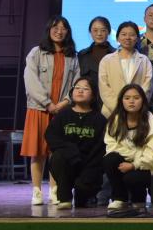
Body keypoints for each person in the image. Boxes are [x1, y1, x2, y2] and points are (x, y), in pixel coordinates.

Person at [21, 15, 80, 205]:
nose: (59, 31)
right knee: (38, 151)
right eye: (55, 27)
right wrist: (47, 103)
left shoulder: (72, 56)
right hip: (39, 109)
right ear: (49, 30)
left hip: (61, 111)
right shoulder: (36, 53)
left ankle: (55, 190)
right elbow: (31, 81)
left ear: (68, 32)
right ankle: (36, 191)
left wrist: (65, 102)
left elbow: (76, 83)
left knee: (58, 153)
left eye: (63, 28)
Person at [44, 77, 107, 209]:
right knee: (58, 157)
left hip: (89, 164)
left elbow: (101, 148)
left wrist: (87, 164)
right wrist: (72, 152)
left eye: (85, 89)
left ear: (93, 95)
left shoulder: (100, 119)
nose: (80, 91)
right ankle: (64, 198)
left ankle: (85, 195)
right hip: (68, 160)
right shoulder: (63, 115)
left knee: (82, 199)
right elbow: (51, 136)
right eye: (77, 88)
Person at [102, 83, 153, 212]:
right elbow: (111, 147)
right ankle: (119, 198)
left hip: (144, 166)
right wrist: (131, 157)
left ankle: (139, 199)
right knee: (109, 159)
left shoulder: (152, 121)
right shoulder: (115, 120)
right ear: (121, 101)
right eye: (127, 98)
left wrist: (134, 164)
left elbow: (151, 155)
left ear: (143, 100)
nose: (131, 101)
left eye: (136, 98)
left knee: (132, 177)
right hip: (125, 161)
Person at [98, 21, 153, 118]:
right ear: (117, 38)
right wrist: (119, 108)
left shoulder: (144, 60)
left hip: (138, 113)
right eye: (123, 34)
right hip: (112, 112)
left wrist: (136, 106)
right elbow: (104, 88)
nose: (127, 37)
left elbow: (147, 86)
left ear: (137, 38)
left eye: (132, 35)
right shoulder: (106, 60)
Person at [77, 16, 114, 96]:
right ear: (90, 32)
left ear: (109, 32)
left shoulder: (116, 54)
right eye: (95, 30)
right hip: (87, 99)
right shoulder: (82, 55)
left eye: (103, 30)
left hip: (110, 98)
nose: (99, 34)